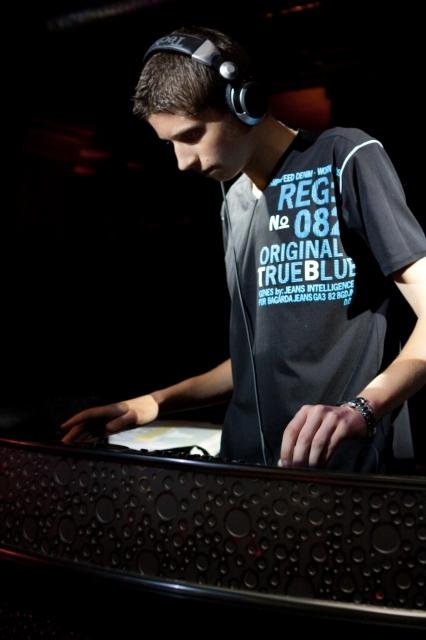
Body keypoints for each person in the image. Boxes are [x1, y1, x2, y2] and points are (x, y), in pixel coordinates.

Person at [61, 25, 426, 472]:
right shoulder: (233, 203)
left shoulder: (344, 157)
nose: (182, 162)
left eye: (191, 135)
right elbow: (255, 359)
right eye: (170, 143)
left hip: (344, 472)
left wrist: (363, 408)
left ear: (244, 104)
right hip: (249, 471)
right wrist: (151, 404)